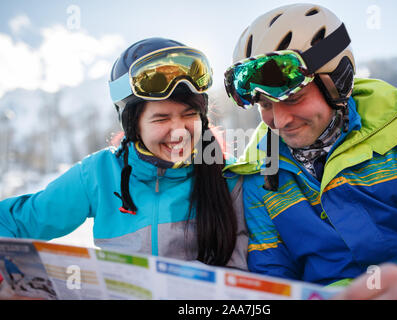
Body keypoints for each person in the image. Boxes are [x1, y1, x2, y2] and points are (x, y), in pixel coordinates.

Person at [223, 3, 397, 299]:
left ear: (336, 82)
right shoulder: (259, 173)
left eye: (293, 99)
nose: (279, 121)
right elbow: (272, 278)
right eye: (264, 105)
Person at [0, 37, 248, 270]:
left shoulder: (230, 178)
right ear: (132, 125)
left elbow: (245, 270)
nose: (179, 132)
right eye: (161, 118)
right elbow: (19, 221)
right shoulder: (100, 173)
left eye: (189, 115)